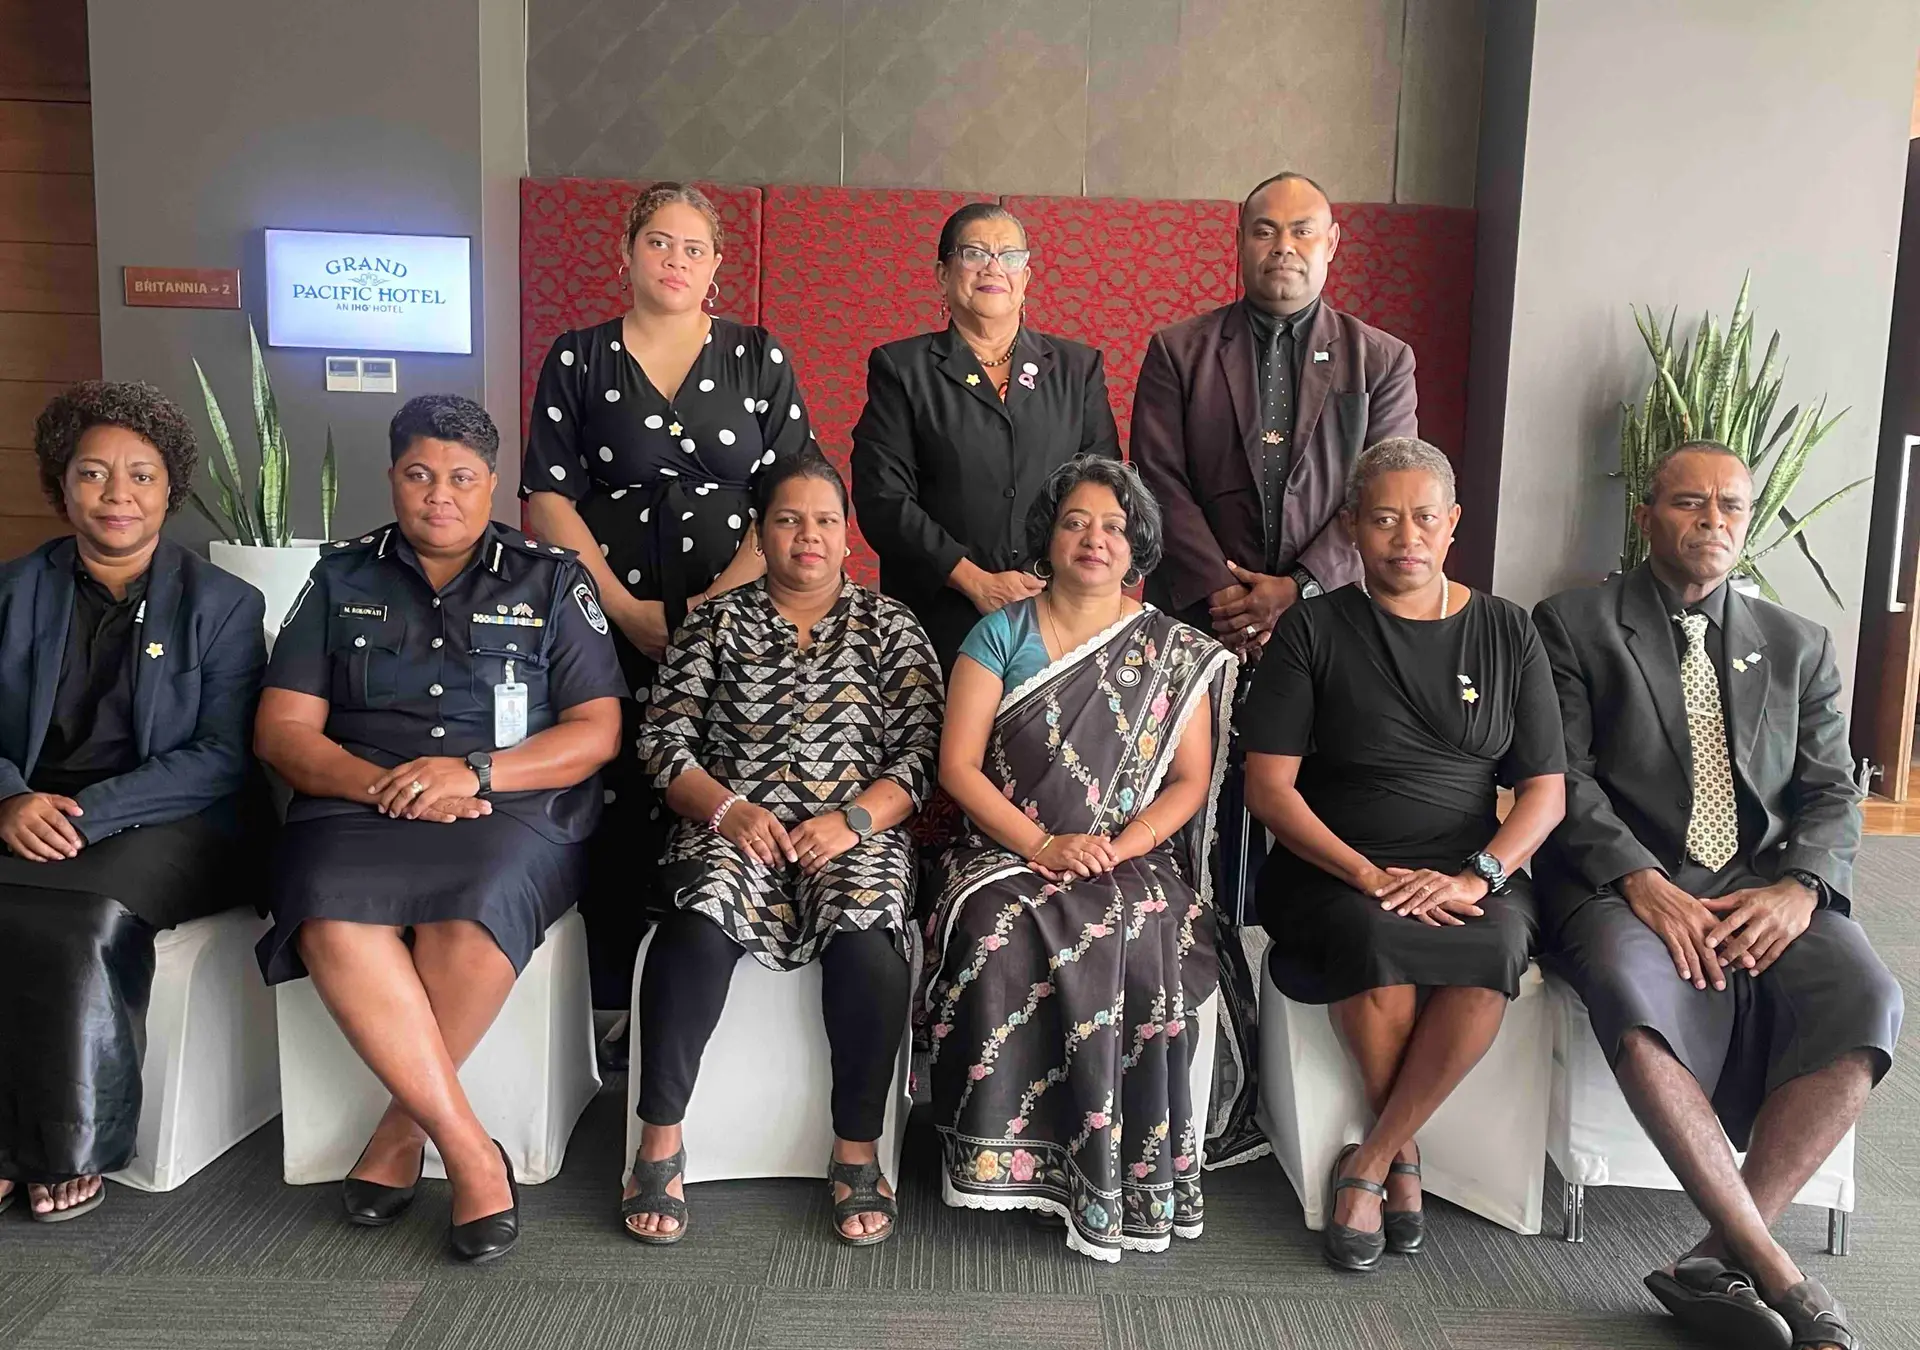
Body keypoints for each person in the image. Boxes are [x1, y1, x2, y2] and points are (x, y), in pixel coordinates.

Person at [1534, 440, 1901, 1350]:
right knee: (1631, 990)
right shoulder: (1574, 623)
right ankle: (1778, 1272)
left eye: (1730, 506)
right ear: (1647, 516)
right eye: (1689, 503)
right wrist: (1640, 879)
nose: (1712, 522)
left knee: (1867, 999)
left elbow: (1833, 792)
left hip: (1763, 885)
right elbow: (1561, 776)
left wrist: (1801, 888)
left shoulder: (1798, 642)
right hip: (1621, 883)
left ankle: (1714, 1256)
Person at [254, 395, 623, 1264]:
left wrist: (475, 772)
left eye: (461, 478)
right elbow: (283, 732)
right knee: (328, 911)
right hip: (357, 799)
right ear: (392, 478)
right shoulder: (341, 579)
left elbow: (596, 732)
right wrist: (385, 785)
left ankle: (398, 1131)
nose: (439, 495)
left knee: (477, 907)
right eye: (420, 475)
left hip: (510, 805)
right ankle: (468, 1149)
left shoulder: (549, 579)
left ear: (492, 484)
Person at [1242, 437, 1566, 1273]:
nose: (1406, 537)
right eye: (1384, 519)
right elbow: (1269, 789)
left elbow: (1545, 793)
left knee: (1493, 945)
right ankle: (1404, 1158)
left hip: (1467, 865)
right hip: (1335, 864)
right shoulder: (1313, 627)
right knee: (1375, 936)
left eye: (1424, 518)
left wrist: (1478, 877)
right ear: (1352, 526)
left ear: (1454, 523)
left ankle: (1377, 1157)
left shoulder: (1509, 630)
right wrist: (1365, 873)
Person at [621, 453, 942, 1248]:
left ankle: (856, 1149)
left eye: (825, 521)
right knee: (696, 926)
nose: (808, 535)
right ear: (759, 534)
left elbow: (921, 756)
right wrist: (727, 810)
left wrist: (853, 822)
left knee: (868, 940)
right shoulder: (715, 624)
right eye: (789, 520)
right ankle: (658, 1141)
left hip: (854, 833)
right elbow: (662, 744)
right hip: (732, 829)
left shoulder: (891, 628)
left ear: (847, 536)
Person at [927, 455, 1238, 1262]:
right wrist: (1042, 844)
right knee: (995, 926)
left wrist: (1112, 848)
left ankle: (1120, 1170)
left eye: (1113, 527)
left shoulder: (1171, 650)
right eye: (1075, 523)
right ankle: (1014, 1158)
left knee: (1145, 925)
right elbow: (958, 766)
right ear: (1049, 536)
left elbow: (1190, 780)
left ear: (1138, 546)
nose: (1094, 539)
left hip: (1128, 854)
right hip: (1004, 849)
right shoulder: (1000, 632)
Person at [522, 181, 819, 1006]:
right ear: (627, 253)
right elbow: (548, 495)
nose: (675, 260)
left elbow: (795, 491)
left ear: (718, 264)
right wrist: (622, 608)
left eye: (694, 248)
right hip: (601, 614)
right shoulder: (579, 357)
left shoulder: (757, 355)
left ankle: (717, 991)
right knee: (613, 789)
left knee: (725, 778)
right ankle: (606, 999)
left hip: (739, 614)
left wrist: (711, 610)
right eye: (658, 242)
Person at [1130, 170, 1421, 960]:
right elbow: (1156, 481)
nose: (1282, 247)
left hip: (1330, 622)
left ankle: (1297, 966)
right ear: (1239, 242)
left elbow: (1386, 489)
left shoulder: (1381, 359)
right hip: (1201, 621)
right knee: (1194, 806)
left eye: (1301, 231)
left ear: (1331, 244)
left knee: (1315, 803)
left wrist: (1298, 588)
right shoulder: (1179, 350)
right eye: (1265, 230)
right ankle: (1192, 964)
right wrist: (1226, 595)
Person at [0, 381, 266, 1222]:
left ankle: (62, 1146)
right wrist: (10, 799)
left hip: (176, 818)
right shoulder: (12, 591)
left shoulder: (222, 604)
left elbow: (223, 754)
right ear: (61, 483)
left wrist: (86, 815)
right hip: (28, 807)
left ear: (169, 487)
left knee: (77, 917)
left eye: (141, 476)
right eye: (93, 473)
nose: (118, 494)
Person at [851, 201, 1121, 673]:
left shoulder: (1077, 369)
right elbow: (883, 498)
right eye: (974, 253)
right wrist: (973, 580)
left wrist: (1048, 578)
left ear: (1026, 277)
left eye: (1010, 256)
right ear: (943, 274)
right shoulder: (902, 369)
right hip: (938, 615)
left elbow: (1103, 490)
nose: (994, 267)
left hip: (1057, 610)